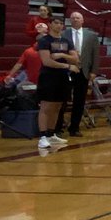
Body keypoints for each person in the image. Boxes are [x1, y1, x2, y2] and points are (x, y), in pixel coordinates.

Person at [35, 16, 77, 151]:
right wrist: (67, 66)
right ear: (50, 24)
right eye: (56, 23)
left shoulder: (66, 41)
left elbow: (76, 58)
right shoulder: (44, 41)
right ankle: (42, 137)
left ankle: (51, 133)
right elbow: (47, 61)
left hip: (62, 78)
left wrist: (62, 56)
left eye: (61, 23)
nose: (59, 25)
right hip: (48, 77)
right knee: (46, 106)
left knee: (58, 106)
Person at [62, 11, 99, 137]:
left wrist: (94, 71)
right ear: (70, 20)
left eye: (78, 18)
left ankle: (74, 127)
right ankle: (58, 126)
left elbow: (95, 54)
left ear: (83, 20)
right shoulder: (63, 34)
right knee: (63, 99)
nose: (76, 19)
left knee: (79, 101)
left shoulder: (91, 35)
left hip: (83, 71)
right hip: (66, 70)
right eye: (73, 18)